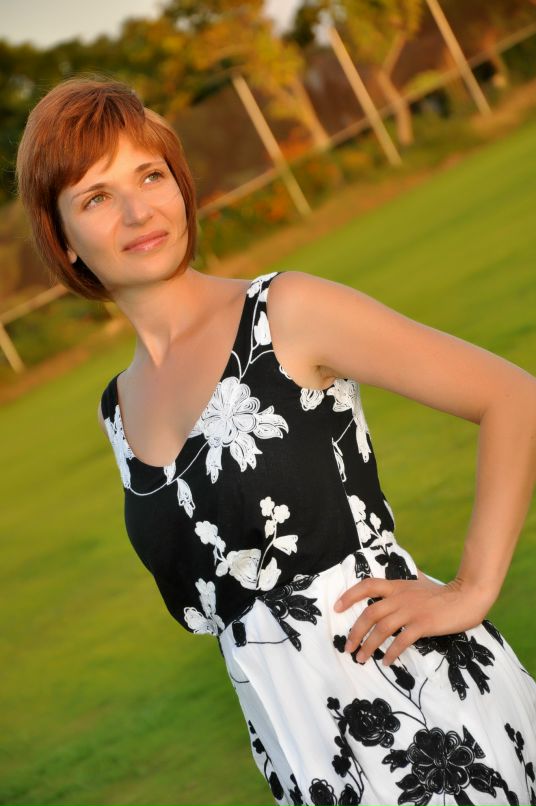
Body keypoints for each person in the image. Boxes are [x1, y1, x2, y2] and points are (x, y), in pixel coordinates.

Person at [16, 76, 536, 806]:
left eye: (150, 175)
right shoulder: (118, 411)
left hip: (422, 726)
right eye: (97, 197)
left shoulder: (283, 312)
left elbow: (512, 396)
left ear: (180, 185)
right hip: (305, 761)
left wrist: (471, 589)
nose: (138, 211)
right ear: (63, 239)